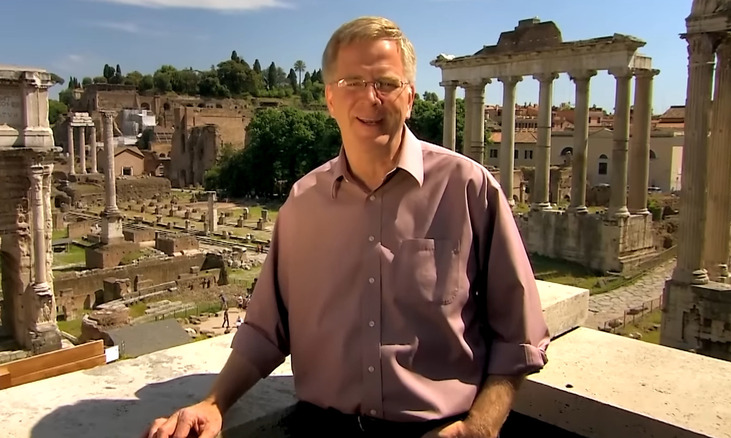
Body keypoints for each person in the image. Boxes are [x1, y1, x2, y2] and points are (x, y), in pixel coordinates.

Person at [144, 16, 549, 438]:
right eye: (352, 82)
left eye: (386, 84)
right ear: (330, 99)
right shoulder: (302, 204)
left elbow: (518, 335)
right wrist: (214, 402)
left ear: (409, 97)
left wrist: (478, 430)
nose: (370, 98)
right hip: (319, 428)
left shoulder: (470, 188)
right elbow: (266, 332)